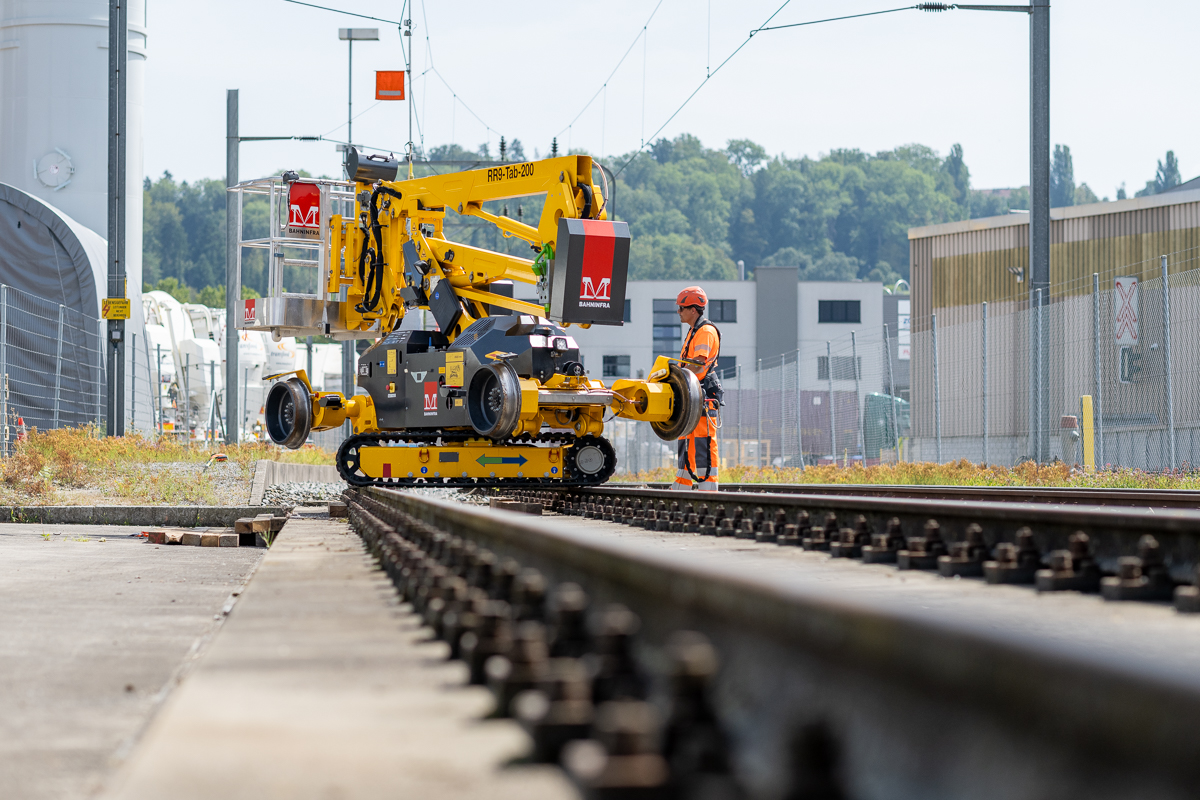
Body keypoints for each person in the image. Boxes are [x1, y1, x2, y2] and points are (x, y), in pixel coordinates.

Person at [672, 286, 722, 491]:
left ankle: (708, 485)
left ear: (694, 309)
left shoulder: (705, 332)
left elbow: (699, 364)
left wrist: (677, 377)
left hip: (701, 392)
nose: (679, 312)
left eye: (682, 308)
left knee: (703, 439)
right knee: (686, 437)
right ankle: (683, 482)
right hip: (691, 392)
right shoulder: (694, 331)